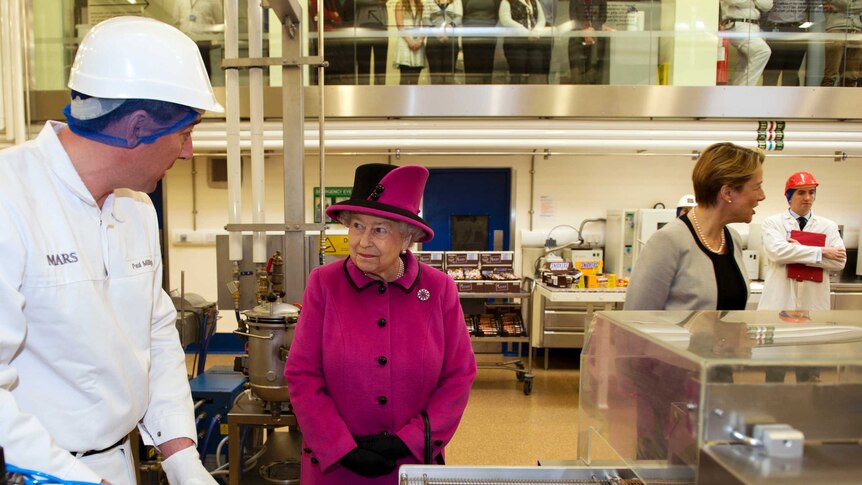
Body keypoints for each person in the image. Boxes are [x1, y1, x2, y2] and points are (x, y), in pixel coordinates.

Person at [0, 17, 222, 485]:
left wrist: (181, 456)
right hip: (34, 473)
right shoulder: (10, 200)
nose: (188, 153)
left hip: (119, 463)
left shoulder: (137, 209)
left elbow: (156, 335)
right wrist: (72, 479)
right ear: (137, 127)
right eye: (186, 133)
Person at [284, 163, 477, 484]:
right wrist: (340, 446)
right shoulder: (324, 284)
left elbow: (459, 376)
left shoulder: (440, 289)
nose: (362, 241)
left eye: (380, 229)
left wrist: (409, 440)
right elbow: (302, 374)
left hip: (411, 465)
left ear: (409, 238)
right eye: (357, 226)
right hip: (335, 466)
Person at [625, 143, 766, 310]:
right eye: (757, 187)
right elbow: (637, 319)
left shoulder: (732, 239)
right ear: (727, 193)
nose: (762, 196)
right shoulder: (668, 241)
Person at [758, 171, 846, 311]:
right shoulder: (773, 223)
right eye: (801, 193)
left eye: (811, 192)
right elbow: (777, 253)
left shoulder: (828, 226)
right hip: (780, 300)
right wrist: (822, 252)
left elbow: (839, 261)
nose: (807, 198)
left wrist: (796, 252)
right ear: (789, 196)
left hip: (813, 303)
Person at [719, 0, 773, 86]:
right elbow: (737, 1)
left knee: (743, 64)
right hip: (737, 24)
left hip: (755, 26)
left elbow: (767, 6)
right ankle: (744, 90)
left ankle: (736, 93)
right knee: (762, 51)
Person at [761, 0, 811, 86]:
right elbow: (764, 8)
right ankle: (767, 98)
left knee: (792, 73)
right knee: (772, 71)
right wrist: (765, 29)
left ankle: (790, 99)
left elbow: (811, 8)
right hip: (777, 29)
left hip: (799, 30)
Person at [499, 0, 546, 84]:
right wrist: (526, 33)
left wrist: (536, 31)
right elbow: (505, 20)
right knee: (517, 72)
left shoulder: (535, 2)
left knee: (536, 69)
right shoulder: (506, 2)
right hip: (515, 44)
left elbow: (541, 20)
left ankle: (534, 94)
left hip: (534, 42)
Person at [172, 0, 224, 75]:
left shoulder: (214, 1)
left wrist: (207, 34)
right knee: (185, 73)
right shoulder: (179, 1)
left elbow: (220, 23)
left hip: (203, 44)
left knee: (203, 74)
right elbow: (175, 22)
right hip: (185, 44)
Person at [347, 0, 390, 85]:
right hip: (362, 25)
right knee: (363, 66)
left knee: (380, 66)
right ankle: (363, 94)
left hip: (381, 25)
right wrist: (377, 2)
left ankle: (379, 94)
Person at [820, 0, 862, 87]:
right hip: (836, 28)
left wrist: (840, 7)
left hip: (856, 28)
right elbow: (840, 3)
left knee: (851, 76)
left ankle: (847, 99)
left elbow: (843, 5)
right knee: (830, 75)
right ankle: (825, 99)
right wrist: (853, 5)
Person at [568, 0, 610, 85]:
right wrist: (584, 30)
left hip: (596, 39)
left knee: (593, 74)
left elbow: (603, 17)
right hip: (577, 38)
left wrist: (592, 30)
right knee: (577, 75)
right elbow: (572, 16)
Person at [461, 0, 502, 84]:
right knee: (471, 70)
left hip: (488, 34)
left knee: (487, 68)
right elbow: (462, 14)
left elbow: (497, 14)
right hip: (470, 34)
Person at [426, 0, 463, 84]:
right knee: (435, 77)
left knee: (449, 76)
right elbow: (425, 19)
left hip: (451, 41)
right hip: (433, 42)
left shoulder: (457, 1)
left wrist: (448, 29)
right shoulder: (429, 1)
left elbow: (459, 17)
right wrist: (437, 32)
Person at [394, 0, 428, 84]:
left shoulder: (421, 5)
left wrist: (420, 40)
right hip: (405, 43)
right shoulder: (400, 4)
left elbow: (426, 25)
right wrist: (409, 41)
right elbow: (400, 25)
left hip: (418, 43)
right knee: (404, 79)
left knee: (415, 80)